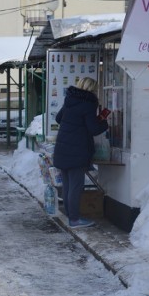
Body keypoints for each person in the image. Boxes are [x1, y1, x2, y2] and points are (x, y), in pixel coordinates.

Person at [52, 77, 109, 229]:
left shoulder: (70, 100)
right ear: (92, 89)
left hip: (62, 149)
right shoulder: (88, 104)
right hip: (76, 151)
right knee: (76, 187)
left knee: (68, 186)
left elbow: (58, 118)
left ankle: (70, 216)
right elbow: (93, 129)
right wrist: (103, 122)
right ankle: (75, 220)